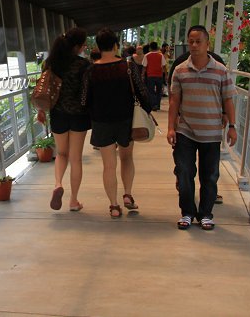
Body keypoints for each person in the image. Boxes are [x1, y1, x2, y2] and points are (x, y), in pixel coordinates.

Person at [167, 26, 236, 230]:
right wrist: (171, 128)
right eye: (191, 41)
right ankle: (187, 212)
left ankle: (205, 213)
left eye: (198, 41)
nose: (194, 45)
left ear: (207, 44)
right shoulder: (180, 70)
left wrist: (232, 126)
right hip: (185, 130)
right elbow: (174, 101)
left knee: (210, 175)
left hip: (211, 132)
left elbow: (228, 100)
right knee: (184, 172)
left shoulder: (220, 71)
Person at [85, 28, 151, 218]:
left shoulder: (90, 70)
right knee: (127, 158)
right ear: (116, 45)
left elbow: (84, 99)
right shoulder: (128, 67)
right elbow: (142, 92)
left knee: (108, 165)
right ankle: (128, 195)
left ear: (98, 46)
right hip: (125, 119)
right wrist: (147, 110)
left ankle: (114, 206)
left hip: (101, 121)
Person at [37, 27, 91, 212]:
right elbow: (88, 91)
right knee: (76, 159)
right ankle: (73, 201)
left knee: (61, 154)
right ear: (77, 46)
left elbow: (43, 89)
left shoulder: (51, 62)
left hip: (58, 114)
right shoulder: (83, 65)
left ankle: (58, 184)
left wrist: (41, 110)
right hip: (79, 115)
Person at [143, 41, 165, 110]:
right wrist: (166, 75)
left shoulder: (147, 55)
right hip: (159, 75)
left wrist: (142, 75)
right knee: (159, 91)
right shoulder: (161, 55)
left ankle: (153, 105)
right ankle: (158, 105)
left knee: (151, 91)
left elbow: (144, 66)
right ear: (157, 47)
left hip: (150, 76)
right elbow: (164, 66)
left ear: (150, 48)